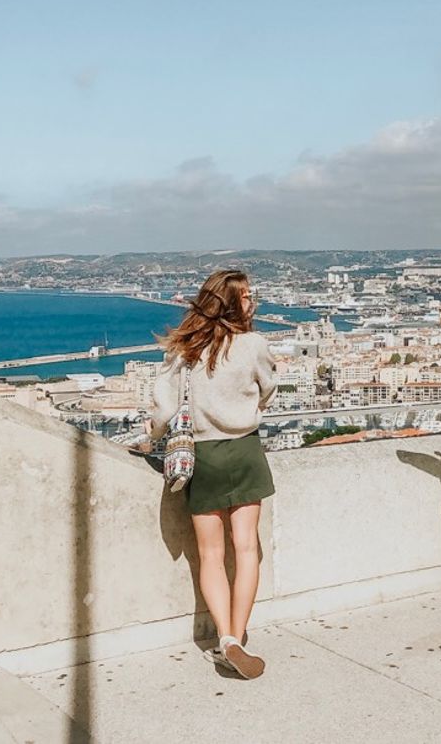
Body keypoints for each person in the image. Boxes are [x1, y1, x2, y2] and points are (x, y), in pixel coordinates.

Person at [148, 269, 277, 680]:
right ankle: (237, 638)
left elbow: (163, 411)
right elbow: (268, 388)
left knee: (209, 555)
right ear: (234, 302)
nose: (252, 302)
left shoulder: (184, 350)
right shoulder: (253, 344)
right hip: (244, 451)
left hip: (201, 456)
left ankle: (225, 638)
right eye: (247, 296)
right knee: (246, 549)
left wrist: (150, 437)